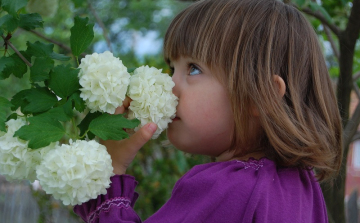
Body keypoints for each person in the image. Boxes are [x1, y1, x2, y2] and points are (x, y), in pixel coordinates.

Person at [74, 0, 343, 222]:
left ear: (261, 97)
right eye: (172, 68)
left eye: (193, 69)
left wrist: (110, 174)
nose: (169, 85)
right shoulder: (302, 187)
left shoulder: (227, 189)